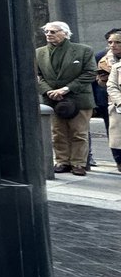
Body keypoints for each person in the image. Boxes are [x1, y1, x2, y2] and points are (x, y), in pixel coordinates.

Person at [35, 21, 95, 176]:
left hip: (78, 98)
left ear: (65, 33)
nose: (49, 35)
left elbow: (90, 73)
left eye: (53, 32)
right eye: (47, 32)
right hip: (52, 100)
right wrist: (48, 91)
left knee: (79, 133)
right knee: (57, 132)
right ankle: (62, 161)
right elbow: (37, 76)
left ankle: (78, 163)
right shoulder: (39, 52)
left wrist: (66, 88)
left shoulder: (84, 51)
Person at [95, 30, 121, 172]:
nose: (113, 45)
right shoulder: (102, 58)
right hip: (110, 102)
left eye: (117, 42)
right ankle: (119, 162)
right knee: (115, 135)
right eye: (110, 42)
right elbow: (100, 82)